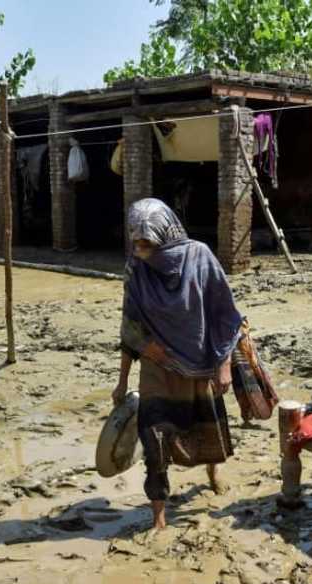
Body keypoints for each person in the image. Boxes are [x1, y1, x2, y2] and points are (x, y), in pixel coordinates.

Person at [113, 198, 243, 530]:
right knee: (153, 440)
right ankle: (158, 516)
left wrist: (224, 364)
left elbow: (225, 316)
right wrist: (123, 379)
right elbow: (130, 325)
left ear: (166, 236)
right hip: (157, 367)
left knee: (206, 430)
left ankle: (213, 471)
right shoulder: (136, 268)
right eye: (137, 243)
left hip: (201, 362)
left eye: (149, 244)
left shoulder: (199, 257)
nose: (142, 251)